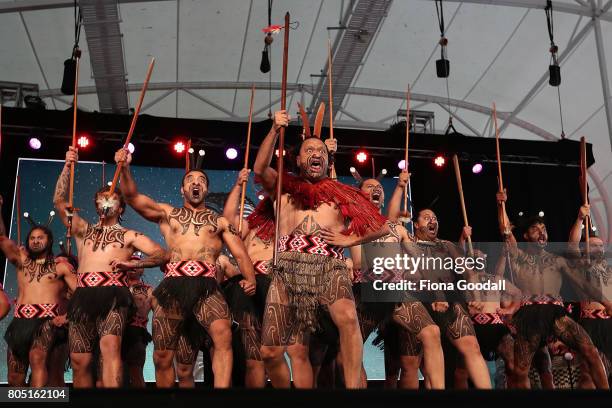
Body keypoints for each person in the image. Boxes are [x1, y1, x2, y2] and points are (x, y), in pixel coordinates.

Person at [254, 110, 390, 389]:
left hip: (329, 266)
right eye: (309, 150)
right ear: (298, 159)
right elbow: (259, 169)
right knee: (269, 351)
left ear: (327, 160)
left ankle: (353, 391)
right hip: (287, 267)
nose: (316, 153)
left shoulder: (342, 193)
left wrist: (349, 241)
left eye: (321, 151)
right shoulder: (282, 187)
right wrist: (274, 130)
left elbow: (383, 226)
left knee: (349, 319)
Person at [116, 147, 256, 388]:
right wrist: (125, 168)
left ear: (206, 190)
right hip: (173, 285)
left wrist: (251, 278)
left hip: (208, 287)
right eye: (190, 179)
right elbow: (132, 197)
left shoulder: (220, 221)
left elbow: (241, 253)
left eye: (201, 180)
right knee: (163, 356)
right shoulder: (167, 213)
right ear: (182, 189)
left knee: (222, 337)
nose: (196, 183)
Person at [54, 147, 167, 388]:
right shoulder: (83, 229)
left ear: (121, 207)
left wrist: (134, 263)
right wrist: (66, 166)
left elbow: (162, 254)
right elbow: (59, 201)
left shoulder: (129, 235)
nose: (106, 201)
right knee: (79, 359)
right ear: (96, 205)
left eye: (112, 197)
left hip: (113, 295)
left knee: (110, 351)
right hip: (82, 295)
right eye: (102, 198)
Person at [497, 190, 610, 389]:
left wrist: (608, 303)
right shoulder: (519, 257)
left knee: (590, 351)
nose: (542, 232)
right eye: (535, 229)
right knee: (521, 370)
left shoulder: (557, 261)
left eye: (544, 229)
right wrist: (501, 205)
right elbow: (506, 232)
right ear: (525, 235)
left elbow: (583, 284)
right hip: (529, 314)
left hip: (556, 312)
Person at [349, 173, 445, 389]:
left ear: (383, 199)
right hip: (368, 292)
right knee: (349, 352)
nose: (376, 189)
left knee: (432, 333)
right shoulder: (354, 225)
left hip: (396, 290)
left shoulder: (399, 230)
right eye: (370, 186)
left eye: (380, 188)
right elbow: (357, 263)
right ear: (359, 195)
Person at [406, 208, 492, 389]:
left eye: (435, 218)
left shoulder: (447, 245)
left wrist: (476, 294)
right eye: (426, 218)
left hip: (449, 300)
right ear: (415, 224)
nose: (432, 221)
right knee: (412, 364)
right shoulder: (405, 243)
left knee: (472, 347)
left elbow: (469, 273)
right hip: (417, 303)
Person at [0, 194, 77, 387]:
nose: (35, 241)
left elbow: (83, 295)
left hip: (46, 323)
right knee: (14, 377)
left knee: (37, 362)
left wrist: (67, 317)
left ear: (49, 241)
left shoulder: (61, 267)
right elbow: (2, 239)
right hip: (19, 323)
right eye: (32, 238)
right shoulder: (21, 262)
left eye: (40, 237)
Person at [568, 204, 612, 386]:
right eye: (594, 246)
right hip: (591, 322)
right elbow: (571, 246)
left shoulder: (609, 269)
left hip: (610, 321)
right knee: (588, 373)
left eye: (601, 246)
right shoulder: (582, 266)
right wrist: (579, 218)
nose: (599, 249)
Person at [123, 255, 154, 388]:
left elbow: (153, 311)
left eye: (136, 264)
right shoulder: (115, 286)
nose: (132, 266)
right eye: (129, 263)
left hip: (136, 333)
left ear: (142, 269)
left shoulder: (148, 290)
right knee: (112, 373)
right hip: (114, 333)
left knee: (136, 373)